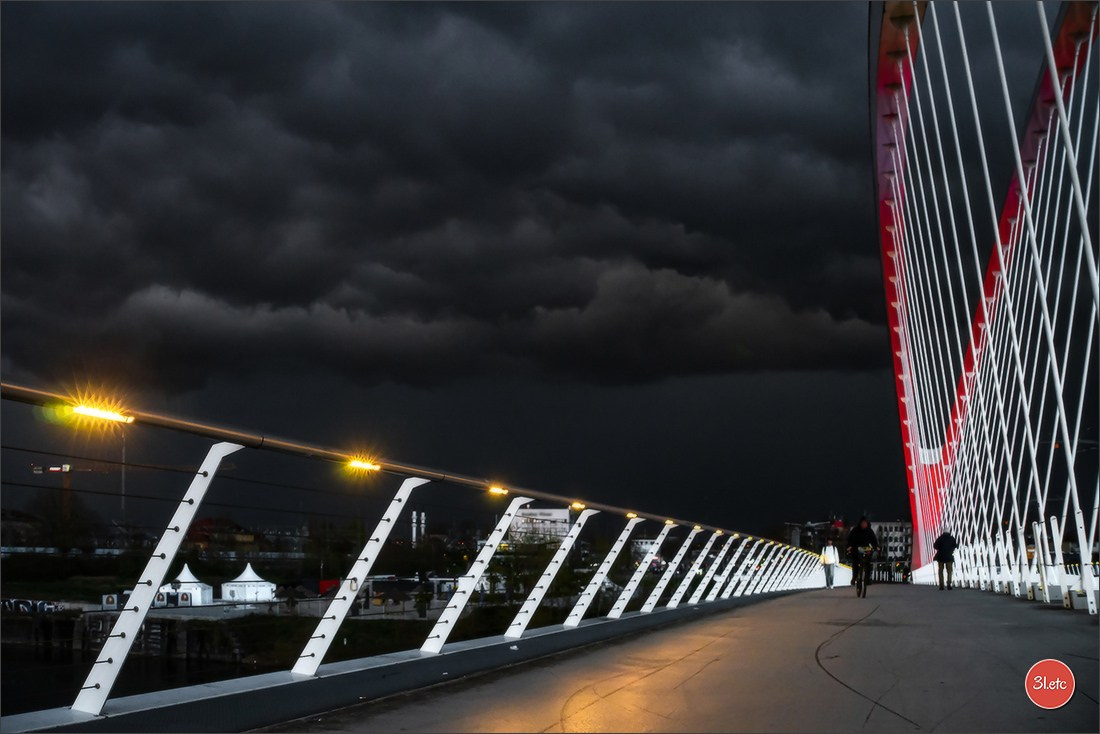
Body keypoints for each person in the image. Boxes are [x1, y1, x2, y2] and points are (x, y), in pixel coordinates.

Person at [845, 517, 880, 593]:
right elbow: (850, 539)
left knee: (868, 563)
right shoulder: (855, 530)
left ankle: (867, 579)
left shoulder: (869, 531)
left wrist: (876, 547)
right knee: (855, 562)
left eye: (865, 524)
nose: (864, 525)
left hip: (866, 548)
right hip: (856, 548)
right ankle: (854, 577)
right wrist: (849, 546)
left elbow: (874, 540)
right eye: (862, 523)